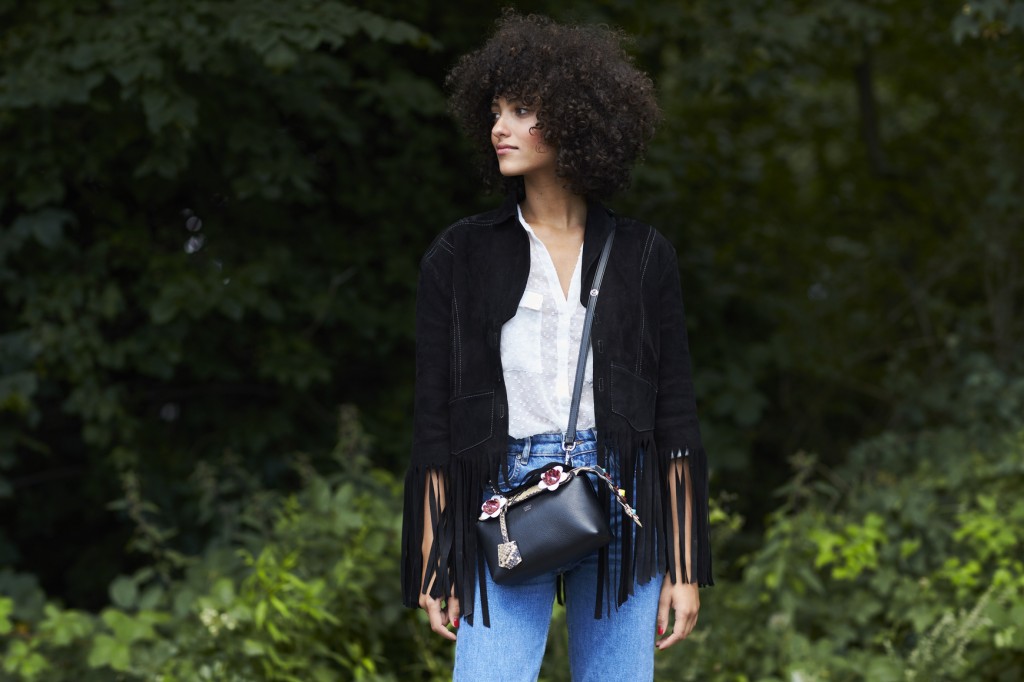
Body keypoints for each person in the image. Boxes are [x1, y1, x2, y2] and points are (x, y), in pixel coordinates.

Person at [400, 12, 712, 681]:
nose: (498, 129)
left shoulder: (643, 256)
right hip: (502, 503)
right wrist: (434, 552)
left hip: (623, 496)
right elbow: (435, 422)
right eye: (494, 111)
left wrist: (684, 565)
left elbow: (674, 421)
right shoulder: (460, 256)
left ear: (574, 120)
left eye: (520, 111)